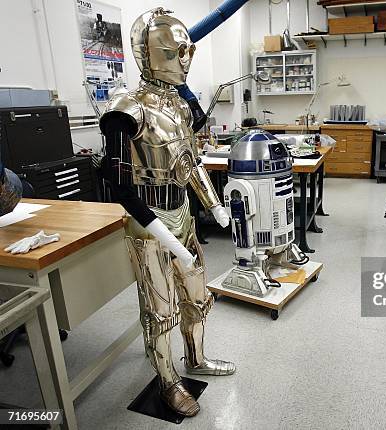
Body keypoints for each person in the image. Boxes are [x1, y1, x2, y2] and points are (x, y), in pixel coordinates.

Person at [99, 8, 233, 417]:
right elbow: (117, 181)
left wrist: (214, 206)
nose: (185, 60)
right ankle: (168, 381)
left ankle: (196, 358)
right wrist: (159, 231)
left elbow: (189, 163)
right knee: (160, 311)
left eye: (187, 51)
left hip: (183, 214)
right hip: (146, 220)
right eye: (177, 52)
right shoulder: (126, 109)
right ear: (152, 54)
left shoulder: (178, 107)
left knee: (197, 297)